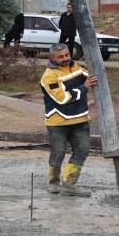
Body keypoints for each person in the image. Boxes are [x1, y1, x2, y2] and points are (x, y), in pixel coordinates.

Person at [40, 43, 98, 196]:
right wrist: (84, 88)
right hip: (58, 123)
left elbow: (90, 76)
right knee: (58, 153)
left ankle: (69, 186)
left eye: (67, 55)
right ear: (52, 58)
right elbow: (62, 98)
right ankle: (53, 182)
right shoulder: (49, 76)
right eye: (60, 57)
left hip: (80, 120)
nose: (65, 58)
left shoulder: (76, 68)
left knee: (83, 150)